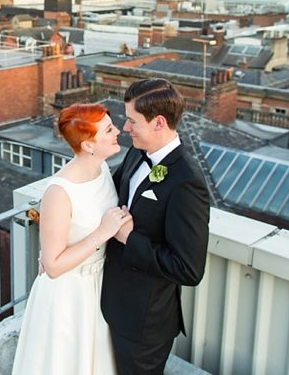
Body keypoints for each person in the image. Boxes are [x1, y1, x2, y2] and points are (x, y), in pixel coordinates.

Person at [101, 78, 211, 375]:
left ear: (159, 122)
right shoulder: (137, 152)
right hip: (110, 302)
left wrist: (129, 237)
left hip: (143, 324)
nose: (125, 128)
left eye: (132, 120)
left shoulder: (187, 182)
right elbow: (107, 196)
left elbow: (188, 268)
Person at [13, 103, 131, 375]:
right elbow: (52, 266)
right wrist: (102, 233)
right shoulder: (59, 192)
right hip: (67, 295)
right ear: (89, 145)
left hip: (99, 285)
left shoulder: (102, 170)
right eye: (109, 130)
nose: (118, 132)